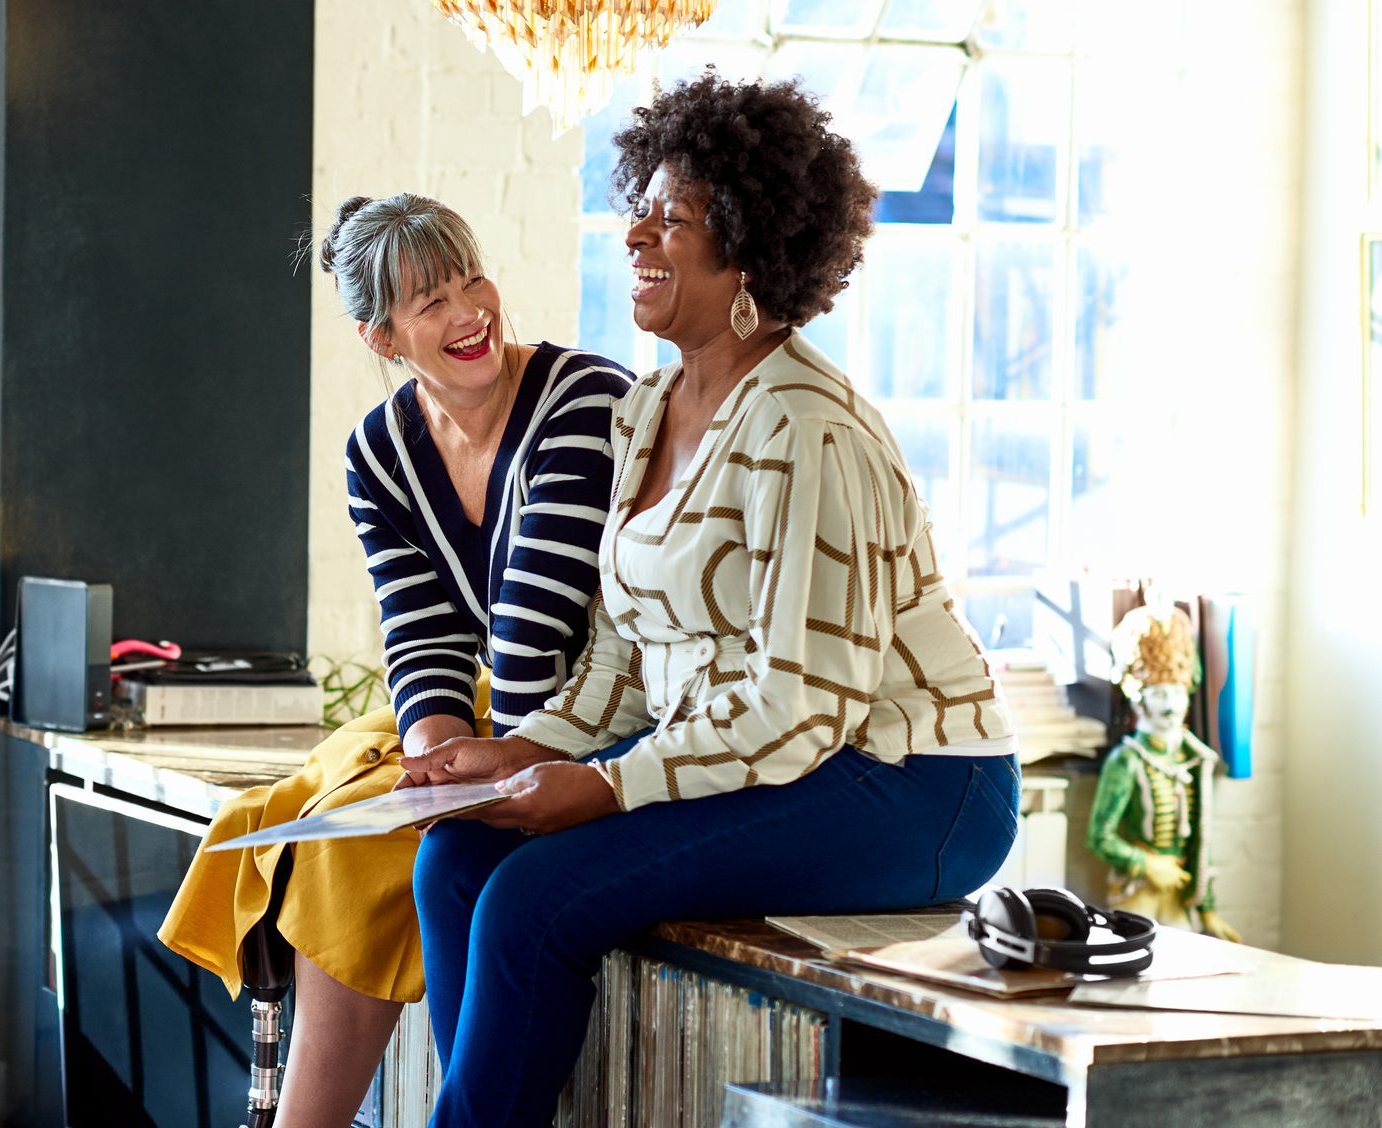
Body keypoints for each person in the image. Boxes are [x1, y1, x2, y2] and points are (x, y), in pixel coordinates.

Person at [399, 71, 1020, 1126]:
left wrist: (600, 791)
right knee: (457, 853)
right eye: (637, 205)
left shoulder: (806, 430)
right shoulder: (647, 409)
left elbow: (798, 709)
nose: (633, 234)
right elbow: (624, 660)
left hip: (907, 781)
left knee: (534, 901)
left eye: (670, 217)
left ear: (745, 248)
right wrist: (528, 748)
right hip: (786, 753)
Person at [158, 192, 632, 1128]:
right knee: (332, 821)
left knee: (373, 847)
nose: (470, 313)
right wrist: (434, 752)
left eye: (471, 279)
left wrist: (482, 772)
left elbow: (538, 628)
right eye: (432, 302)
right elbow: (418, 631)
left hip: (601, 711)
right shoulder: (378, 450)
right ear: (383, 338)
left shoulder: (585, 400)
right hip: (502, 712)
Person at [1087, 591, 1240, 942]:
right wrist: (1148, 865)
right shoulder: (1126, 761)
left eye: (1176, 693)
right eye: (1159, 694)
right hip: (1138, 891)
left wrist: (1208, 910)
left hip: (1180, 893)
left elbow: (1201, 843)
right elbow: (1100, 836)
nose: (1170, 705)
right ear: (1140, 698)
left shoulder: (1195, 760)